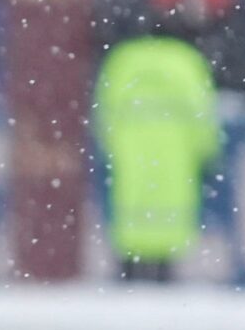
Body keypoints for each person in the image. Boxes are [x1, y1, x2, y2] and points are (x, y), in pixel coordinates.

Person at [93, 29, 220, 284]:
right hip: (176, 165)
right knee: (166, 261)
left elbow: (105, 118)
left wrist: (113, 149)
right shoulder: (186, 61)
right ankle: (163, 276)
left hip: (131, 165)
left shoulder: (123, 61)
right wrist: (208, 154)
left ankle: (129, 275)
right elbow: (204, 119)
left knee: (129, 247)